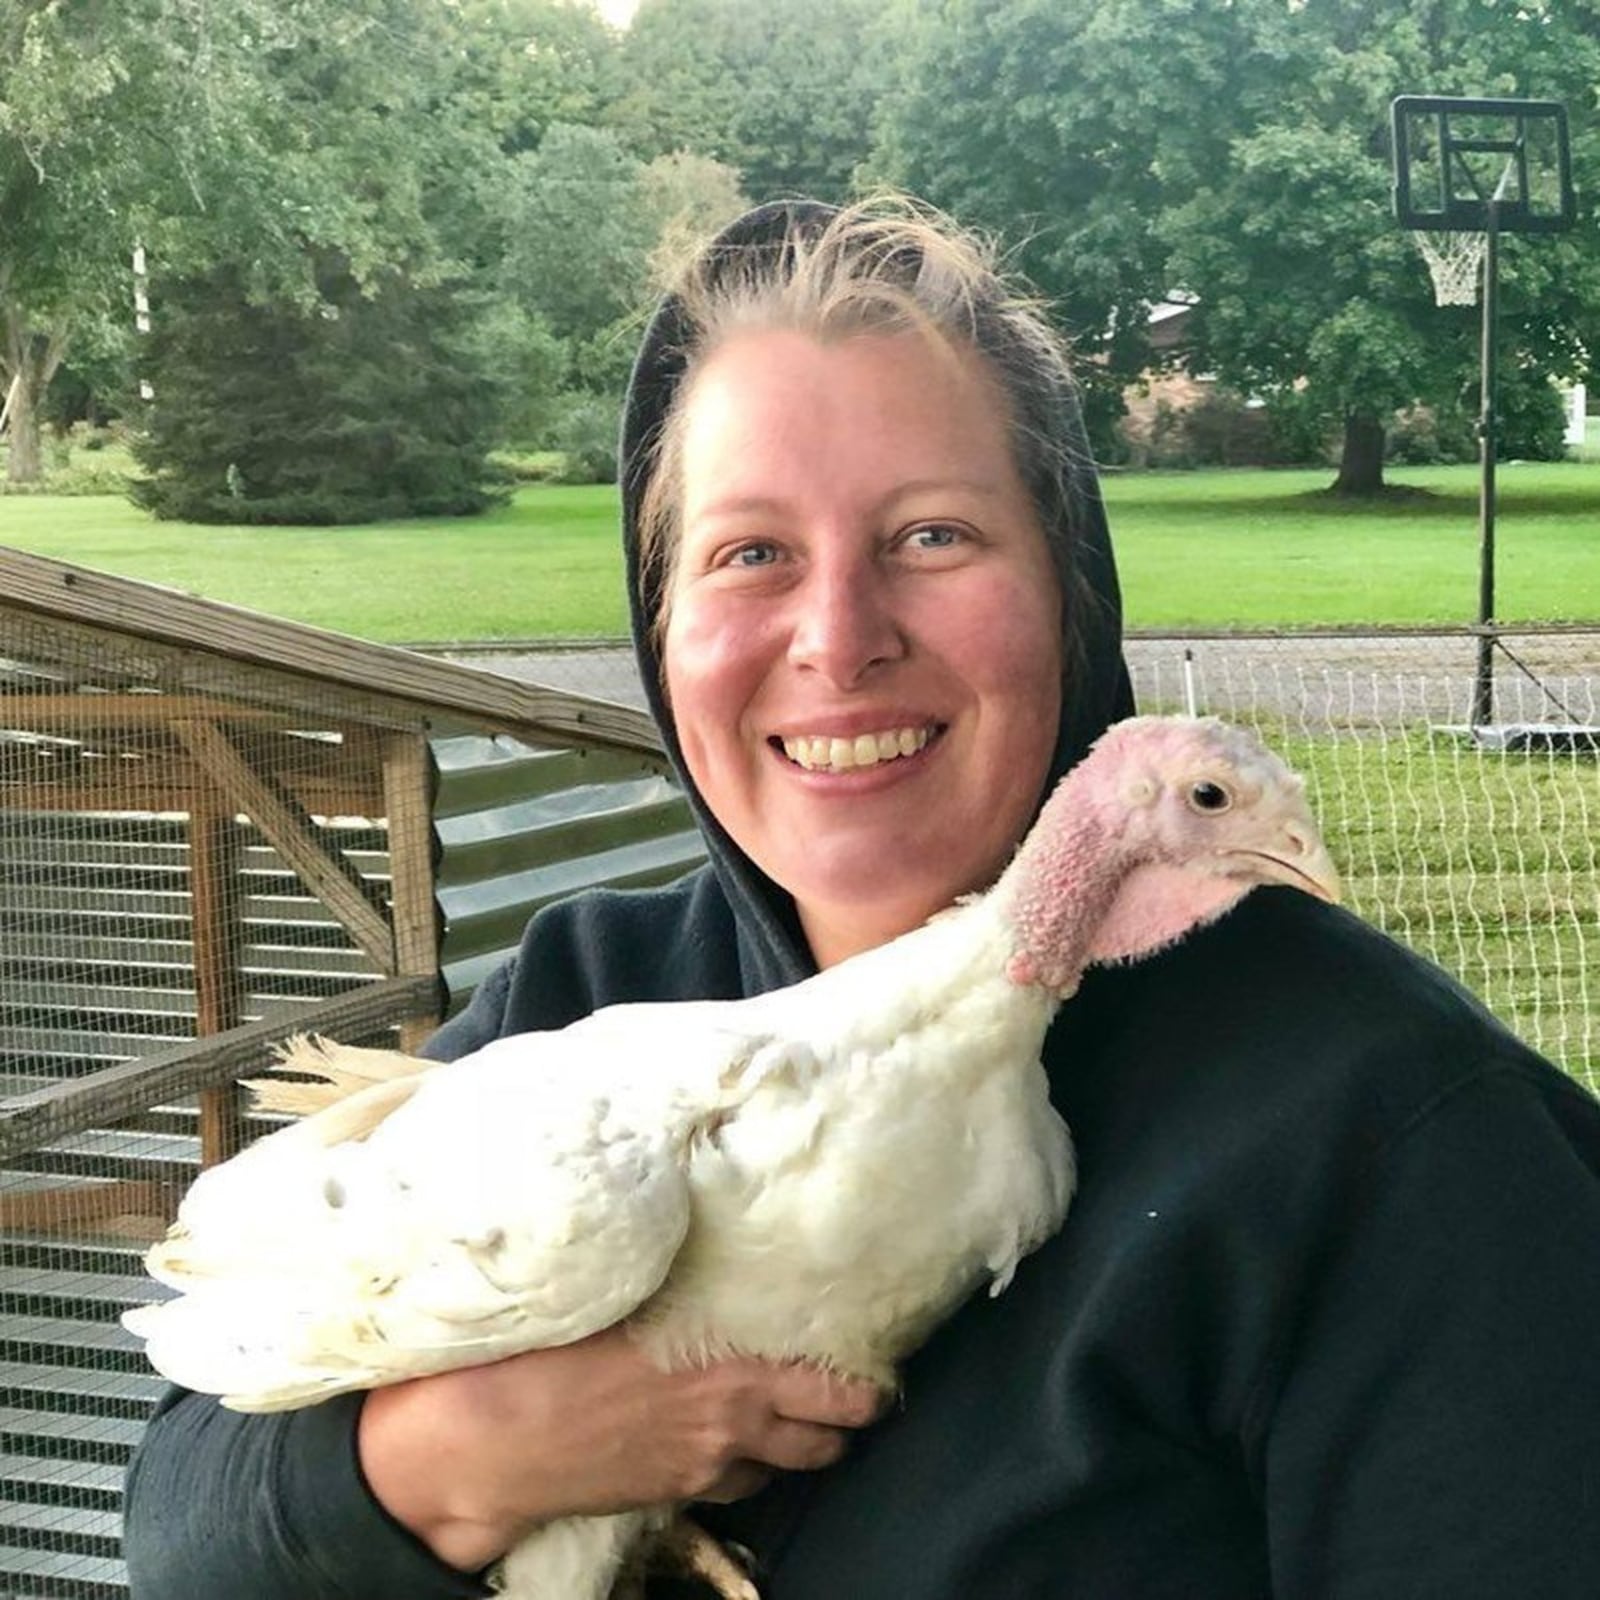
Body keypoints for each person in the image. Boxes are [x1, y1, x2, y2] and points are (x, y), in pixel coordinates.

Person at [123, 196, 1600, 1599]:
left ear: (1070, 590)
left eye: (933, 538)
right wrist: (466, 1456)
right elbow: (187, 1520)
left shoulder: (1402, 1143)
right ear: (664, 626)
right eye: (751, 552)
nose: (839, 639)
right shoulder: (592, 993)